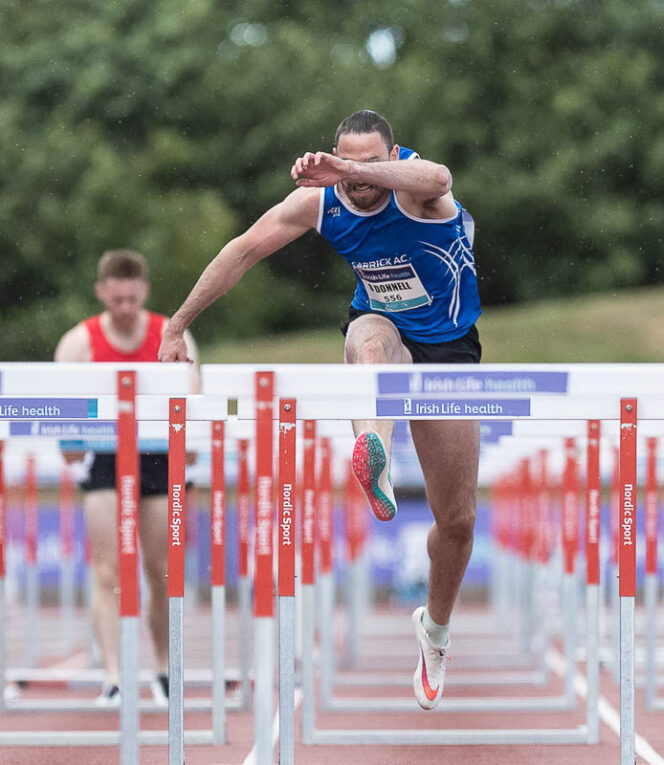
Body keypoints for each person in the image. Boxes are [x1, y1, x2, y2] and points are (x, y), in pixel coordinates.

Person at [157, 110, 480, 711]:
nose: (356, 184)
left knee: (457, 521)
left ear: (390, 156)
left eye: (368, 167)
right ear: (332, 158)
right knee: (369, 341)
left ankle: (434, 631)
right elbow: (243, 250)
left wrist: (349, 167)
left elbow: (439, 177)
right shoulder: (322, 200)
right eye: (345, 167)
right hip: (381, 325)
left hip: (449, 347)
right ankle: (373, 454)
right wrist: (178, 323)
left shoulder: (416, 190)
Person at [54, 249, 200, 706]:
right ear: (102, 293)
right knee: (107, 571)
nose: (123, 309)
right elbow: (68, 442)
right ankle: (114, 677)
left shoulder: (173, 336)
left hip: (159, 460)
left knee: (160, 572)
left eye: (130, 301)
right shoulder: (78, 344)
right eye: (115, 300)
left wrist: (180, 451)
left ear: (144, 292)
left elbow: (192, 425)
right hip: (105, 459)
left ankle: (162, 670)